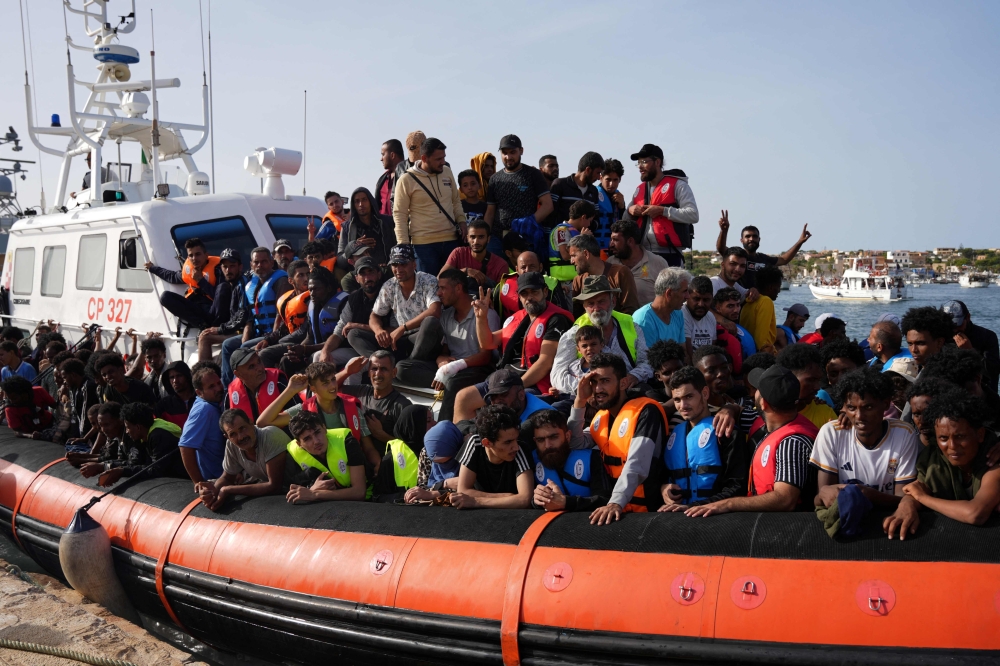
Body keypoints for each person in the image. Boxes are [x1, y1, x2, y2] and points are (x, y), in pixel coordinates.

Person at [685, 365, 819, 517]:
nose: (753, 393)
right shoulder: (765, 422)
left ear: (763, 404)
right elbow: (740, 410)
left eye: (757, 390)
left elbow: (785, 499)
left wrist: (728, 504)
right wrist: (729, 409)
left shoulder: (793, 442)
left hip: (787, 529)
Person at [570, 353, 668, 523]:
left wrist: (616, 502)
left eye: (605, 381)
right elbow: (576, 443)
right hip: (617, 510)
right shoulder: (601, 418)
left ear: (623, 383)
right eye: (594, 382)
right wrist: (580, 401)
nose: (598, 389)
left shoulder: (646, 411)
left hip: (648, 512)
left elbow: (637, 463)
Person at [885, 393, 1000, 537]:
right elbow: (918, 489)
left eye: (960, 437)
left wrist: (923, 498)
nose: (952, 446)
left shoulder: (994, 461)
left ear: (980, 434)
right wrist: (906, 504)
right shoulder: (932, 459)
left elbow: (975, 513)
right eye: (943, 438)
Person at [811, 368, 920, 511]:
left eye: (868, 407)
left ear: (886, 404)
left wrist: (867, 495)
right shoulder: (832, 433)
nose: (859, 416)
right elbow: (825, 496)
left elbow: (902, 500)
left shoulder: (903, 434)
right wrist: (823, 495)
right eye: (851, 408)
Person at [398, 271, 497, 419]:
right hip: (452, 370)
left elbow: (486, 356)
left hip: (476, 369)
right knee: (402, 369)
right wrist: (441, 361)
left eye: (443, 288)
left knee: (453, 383)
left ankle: (444, 427)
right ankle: (442, 382)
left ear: (458, 288)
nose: (438, 293)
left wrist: (455, 366)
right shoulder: (446, 315)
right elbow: (444, 350)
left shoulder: (487, 314)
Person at [256, 362, 381, 472]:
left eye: (333, 379)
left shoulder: (352, 407)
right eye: (325, 383)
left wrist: (377, 463)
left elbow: (368, 447)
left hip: (353, 469)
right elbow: (262, 422)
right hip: (324, 474)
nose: (333, 386)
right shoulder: (303, 409)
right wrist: (290, 390)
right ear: (313, 389)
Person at [657, 367, 747, 510]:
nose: (683, 406)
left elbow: (737, 487)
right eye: (677, 400)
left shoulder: (726, 433)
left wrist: (694, 506)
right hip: (679, 516)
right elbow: (663, 476)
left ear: (704, 393)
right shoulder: (673, 434)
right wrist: (663, 488)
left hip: (717, 518)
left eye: (689, 397)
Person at [554, 275, 653, 395]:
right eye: (591, 303)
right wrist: (589, 389)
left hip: (627, 390)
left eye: (601, 301)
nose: (596, 308)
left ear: (613, 301)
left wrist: (634, 376)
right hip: (587, 398)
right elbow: (557, 375)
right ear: (584, 307)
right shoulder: (572, 335)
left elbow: (647, 362)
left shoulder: (632, 326)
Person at [478, 272, 570, 395]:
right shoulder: (518, 318)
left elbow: (545, 363)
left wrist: (516, 388)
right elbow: (487, 343)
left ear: (545, 292)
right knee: (464, 397)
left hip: (534, 385)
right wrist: (481, 318)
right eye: (524, 294)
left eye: (534, 292)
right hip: (505, 378)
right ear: (519, 297)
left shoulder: (557, 319)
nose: (529, 298)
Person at [392, 137, 466, 276]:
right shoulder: (406, 180)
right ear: (424, 158)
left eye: (444, 157)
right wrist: (404, 246)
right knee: (428, 289)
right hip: (423, 246)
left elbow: (455, 201)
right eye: (438, 159)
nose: (443, 162)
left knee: (453, 288)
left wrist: (462, 221)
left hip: (451, 241)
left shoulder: (447, 172)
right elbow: (399, 214)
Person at [219, 248, 290, 386]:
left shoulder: (281, 281)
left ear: (271, 262)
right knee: (228, 345)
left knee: (244, 347)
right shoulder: (251, 284)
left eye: (264, 262)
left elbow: (280, 315)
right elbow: (250, 318)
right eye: (256, 262)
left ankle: (239, 386)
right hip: (259, 332)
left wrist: (272, 338)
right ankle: (227, 387)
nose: (260, 265)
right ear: (251, 264)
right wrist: (246, 336)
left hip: (276, 334)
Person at [198, 409, 290, 511]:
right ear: (227, 437)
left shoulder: (270, 436)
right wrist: (213, 491)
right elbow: (227, 478)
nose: (241, 437)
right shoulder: (231, 445)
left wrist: (229, 490)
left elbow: (274, 486)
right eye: (233, 434)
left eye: (242, 428)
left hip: (300, 485)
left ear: (251, 422)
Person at [258, 267, 341, 378]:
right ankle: (276, 391)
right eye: (310, 289)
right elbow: (309, 336)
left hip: (333, 349)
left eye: (316, 289)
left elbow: (339, 340)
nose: (312, 293)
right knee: (269, 354)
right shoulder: (314, 306)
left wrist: (304, 350)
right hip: (310, 346)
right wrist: (297, 351)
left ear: (329, 288)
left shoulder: (342, 304)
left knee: (287, 360)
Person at [625, 143, 699, 267]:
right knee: (645, 286)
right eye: (638, 163)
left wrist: (663, 211)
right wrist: (630, 210)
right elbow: (625, 220)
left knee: (671, 287)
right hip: (643, 255)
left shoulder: (678, 185)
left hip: (671, 255)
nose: (640, 167)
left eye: (644, 161)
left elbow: (693, 215)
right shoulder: (639, 190)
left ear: (657, 162)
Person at [452, 404, 533, 510]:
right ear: (487, 443)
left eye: (516, 439)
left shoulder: (520, 449)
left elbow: (524, 500)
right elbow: (463, 491)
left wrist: (476, 501)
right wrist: (507, 497)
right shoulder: (474, 444)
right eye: (508, 442)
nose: (516, 447)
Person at [530, 409, 612, 513]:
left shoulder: (592, 458)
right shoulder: (532, 462)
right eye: (540, 440)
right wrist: (536, 501)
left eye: (553, 437)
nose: (547, 445)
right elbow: (528, 501)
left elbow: (606, 501)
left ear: (567, 436)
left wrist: (565, 502)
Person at [144, 238, 231, 329]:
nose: (194, 259)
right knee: (165, 297)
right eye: (191, 255)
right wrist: (153, 268)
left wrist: (201, 281)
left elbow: (222, 298)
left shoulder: (219, 269)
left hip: (214, 310)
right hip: (197, 308)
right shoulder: (189, 270)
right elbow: (172, 276)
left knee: (222, 287)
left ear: (206, 255)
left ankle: (214, 326)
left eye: (198, 254)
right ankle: (202, 325)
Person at [337, 352, 414, 453]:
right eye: (374, 369)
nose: (378, 374)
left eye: (384, 369)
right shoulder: (362, 391)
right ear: (368, 372)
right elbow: (331, 389)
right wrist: (347, 372)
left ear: (394, 373)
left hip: (387, 464)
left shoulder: (402, 406)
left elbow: (411, 447)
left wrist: (381, 435)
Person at [284, 412, 368, 503]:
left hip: (367, 501)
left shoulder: (346, 441)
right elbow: (289, 490)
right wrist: (311, 488)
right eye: (307, 439)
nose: (316, 441)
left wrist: (315, 494)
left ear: (324, 428)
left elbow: (359, 492)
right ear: (299, 444)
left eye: (317, 432)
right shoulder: (293, 453)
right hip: (329, 504)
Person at [319, 257, 383, 372]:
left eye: (371, 272)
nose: (367, 278)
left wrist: (358, 326)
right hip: (357, 349)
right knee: (319, 357)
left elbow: (394, 329)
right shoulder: (353, 299)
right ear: (356, 278)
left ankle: (381, 366)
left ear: (379, 274)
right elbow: (339, 332)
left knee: (354, 364)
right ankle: (324, 389)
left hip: (384, 350)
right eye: (362, 274)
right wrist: (325, 351)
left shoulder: (388, 294)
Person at [715, 215, 811, 290]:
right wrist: (724, 231)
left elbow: (784, 260)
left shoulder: (764, 259)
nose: (751, 239)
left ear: (759, 239)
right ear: (741, 240)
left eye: (754, 236)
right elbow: (721, 248)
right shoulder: (737, 257)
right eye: (747, 236)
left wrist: (800, 242)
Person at [103, 402, 188, 486]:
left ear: (138, 427)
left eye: (128, 427)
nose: (127, 432)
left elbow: (157, 470)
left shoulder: (158, 436)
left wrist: (123, 471)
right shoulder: (147, 433)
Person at [485, 135, 553, 236]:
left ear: (521, 151)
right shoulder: (494, 179)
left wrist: (529, 222)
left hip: (525, 237)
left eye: (512, 152)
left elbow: (548, 205)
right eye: (505, 153)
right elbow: (490, 211)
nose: (508, 157)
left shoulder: (533, 174)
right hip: (498, 237)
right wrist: (486, 234)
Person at [196, 249, 251, 363]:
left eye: (232, 266)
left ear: (240, 267)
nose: (228, 270)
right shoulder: (232, 285)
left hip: (244, 333)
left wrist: (220, 329)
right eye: (225, 266)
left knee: (205, 338)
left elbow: (242, 316)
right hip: (234, 330)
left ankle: (204, 374)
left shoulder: (243, 284)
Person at [452, 367, 553, 426]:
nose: (497, 401)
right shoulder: (503, 410)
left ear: (521, 395)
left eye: (504, 394)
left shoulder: (543, 417)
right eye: (493, 396)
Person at [178, 365, 227, 486]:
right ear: (199, 392)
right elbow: (185, 446)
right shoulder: (204, 409)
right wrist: (199, 483)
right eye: (211, 387)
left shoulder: (213, 404)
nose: (218, 388)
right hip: (216, 479)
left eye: (218, 383)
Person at [569, 234, 639, 317]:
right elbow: (577, 316)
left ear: (586, 254)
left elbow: (630, 310)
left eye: (573, 256)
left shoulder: (620, 273)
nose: (571, 261)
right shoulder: (578, 280)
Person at [606, 219, 671, 305]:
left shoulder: (658, 263)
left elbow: (669, 296)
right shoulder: (610, 264)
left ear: (630, 241)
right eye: (611, 239)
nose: (611, 244)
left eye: (616, 240)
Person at [493, 250, 572, 319]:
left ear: (540, 267)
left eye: (532, 266)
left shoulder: (552, 284)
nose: (527, 270)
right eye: (523, 267)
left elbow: (562, 313)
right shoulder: (505, 284)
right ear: (517, 269)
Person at [942, 299, 1000, 393]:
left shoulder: (987, 336)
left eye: (958, 325)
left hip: (982, 394)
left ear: (968, 317)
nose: (954, 330)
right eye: (950, 326)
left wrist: (970, 351)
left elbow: (992, 372)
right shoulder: (943, 337)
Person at [775, 343, 838, 429]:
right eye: (811, 380)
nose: (817, 387)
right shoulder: (766, 412)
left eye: (818, 380)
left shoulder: (825, 414)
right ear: (788, 377)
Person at [338, 187, 396, 272]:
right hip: (362, 275)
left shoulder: (388, 222)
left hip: (389, 271)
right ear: (353, 205)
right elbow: (340, 261)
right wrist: (355, 246)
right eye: (357, 201)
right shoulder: (347, 227)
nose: (361, 204)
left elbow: (399, 246)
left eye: (364, 199)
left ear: (371, 201)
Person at [405, 420, 464, 503]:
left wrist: (433, 493)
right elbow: (423, 489)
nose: (443, 466)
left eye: (448, 461)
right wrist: (444, 484)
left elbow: (470, 490)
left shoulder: (466, 451)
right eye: (437, 463)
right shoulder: (427, 453)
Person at [439, 219, 508, 287]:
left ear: (488, 239)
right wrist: (465, 271)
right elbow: (440, 278)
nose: (476, 242)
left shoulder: (501, 265)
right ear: (467, 238)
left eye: (481, 237)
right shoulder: (458, 253)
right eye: (472, 237)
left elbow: (503, 294)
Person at [632, 268, 690, 347]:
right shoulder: (644, 320)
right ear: (669, 293)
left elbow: (683, 351)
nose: (688, 296)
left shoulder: (677, 313)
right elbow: (646, 358)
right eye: (684, 291)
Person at [225, 348, 285, 421]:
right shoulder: (230, 395)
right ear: (238, 374)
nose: (260, 368)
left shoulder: (279, 382)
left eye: (259, 361)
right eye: (251, 367)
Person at [549, 151, 603, 225]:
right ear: (588, 170)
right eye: (597, 173)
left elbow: (596, 219)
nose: (598, 178)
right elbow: (550, 215)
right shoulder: (560, 184)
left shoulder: (594, 191)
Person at [549, 325, 604, 396]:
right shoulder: (573, 366)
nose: (589, 348)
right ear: (578, 349)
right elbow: (565, 387)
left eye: (593, 344)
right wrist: (557, 391)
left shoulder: (604, 368)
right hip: (565, 398)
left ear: (602, 345)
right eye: (584, 346)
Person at [900, 305, 953, 378]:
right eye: (910, 344)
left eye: (920, 343)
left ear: (939, 342)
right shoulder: (926, 370)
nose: (913, 350)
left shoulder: (944, 377)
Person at [739, 265, 782, 354]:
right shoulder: (766, 301)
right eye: (778, 286)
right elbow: (761, 340)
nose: (779, 290)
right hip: (761, 356)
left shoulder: (748, 302)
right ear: (771, 287)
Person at [548, 201, 593, 284]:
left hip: (575, 279)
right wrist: (582, 239)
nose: (589, 224)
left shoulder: (577, 232)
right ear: (583, 217)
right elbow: (565, 255)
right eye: (589, 220)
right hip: (564, 282)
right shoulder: (561, 230)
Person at [58, 359, 101, 441]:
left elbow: (85, 416)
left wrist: (83, 437)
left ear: (73, 375)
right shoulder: (74, 388)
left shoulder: (88, 386)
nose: (64, 381)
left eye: (65, 377)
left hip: (93, 435)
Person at [712, 287, 756, 366]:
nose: (736, 310)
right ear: (718, 307)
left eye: (738, 305)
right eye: (730, 306)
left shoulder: (736, 325)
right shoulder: (715, 331)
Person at [819, 340, 867, 407]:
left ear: (861, 369)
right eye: (833, 374)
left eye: (847, 372)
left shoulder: (876, 398)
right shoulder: (823, 403)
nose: (840, 378)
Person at [272, 260, 311, 339]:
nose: (306, 278)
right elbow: (284, 327)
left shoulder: (314, 297)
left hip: (306, 339)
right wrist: (268, 340)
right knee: (247, 347)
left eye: (308, 274)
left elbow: (305, 329)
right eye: (301, 275)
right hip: (291, 336)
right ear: (290, 280)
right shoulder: (288, 300)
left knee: (266, 351)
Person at [594, 158, 626, 251]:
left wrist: (622, 207)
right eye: (608, 179)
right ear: (601, 178)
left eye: (615, 180)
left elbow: (624, 224)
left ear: (620, 179)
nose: (611, 184)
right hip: (595, 247)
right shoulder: (593, 194)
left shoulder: (620, 197)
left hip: (613, 247)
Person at [682, 276, 717, 355]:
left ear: (712, 299)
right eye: (696, 299)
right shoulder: (681, 314)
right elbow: (687, 353)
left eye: (706, 300)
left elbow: (712, 349)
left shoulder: (711, 316)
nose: (701, 304)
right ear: (688, 297)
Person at [154, 361, 195, 428]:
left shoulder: (201, 400)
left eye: (179, 376)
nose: (175, 381)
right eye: (172, 377)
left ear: (187, 376)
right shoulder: (164, 405)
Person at [375, 139, 405, 216]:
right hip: (384, 227)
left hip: (402, 226)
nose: (381, 159)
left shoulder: (408, 176)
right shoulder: (382, 180)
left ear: (392, 155)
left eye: (383, 154)